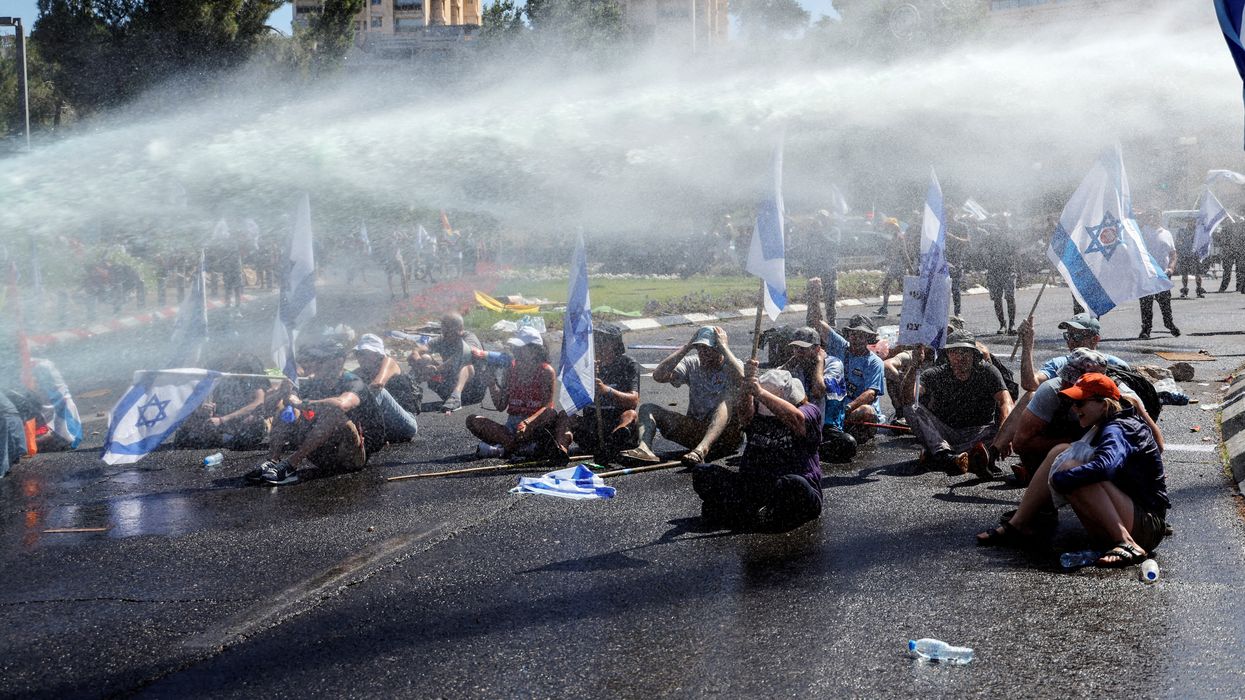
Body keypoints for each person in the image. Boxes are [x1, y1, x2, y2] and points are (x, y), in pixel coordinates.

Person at [977, 373, 1168, 568]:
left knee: (1071, 471)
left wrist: (1060, 479)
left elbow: (1105, 467)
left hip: (1148, 526)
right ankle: (1018, 524)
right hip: (1133, 517)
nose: (1075, 409)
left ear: (1104, 404)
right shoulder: (1106, 420)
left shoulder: (1118, 428)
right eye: (1073, 403)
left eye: (1081, 403)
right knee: (1060, 453)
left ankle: (1126, 543)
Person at [692, 364, 824, 530]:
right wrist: (748, 387)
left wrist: (761, 393)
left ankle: (748, 512)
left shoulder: (810, 411)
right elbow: (744, 414)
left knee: (792, 484)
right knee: (702, 473)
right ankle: (755, 512)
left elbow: (797, 420)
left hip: (790, 488)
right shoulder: (756, 413)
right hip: (755, 487)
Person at [1006, 348, 1162, 485]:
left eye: (1073, 382)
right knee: (1059, 452)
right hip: (1072, 443)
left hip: (1109, 460)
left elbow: (1155, 445)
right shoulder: (1052, 390)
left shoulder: (1125, 399)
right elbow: (1020, 443)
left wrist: (1149, 472)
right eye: (1065, 377)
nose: (1065, 385)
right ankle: (1037, 481)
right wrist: (1073, 443)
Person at [248, 338, 387, 485]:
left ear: (338, 361)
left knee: (334, 413)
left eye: (320, 360)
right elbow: (268, 407)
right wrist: (286, 393)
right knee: (286, 410)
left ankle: (290, 466)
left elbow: (342, 405)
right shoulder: (314, 383)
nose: (315, 364)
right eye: (315, 360)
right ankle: (273, 462)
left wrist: (303, 403)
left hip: (352, 455)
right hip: (323, 454)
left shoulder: (353, 382)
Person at [621, 326, 744, 466]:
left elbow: (742, 378)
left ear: (719, 349)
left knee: (725, 401)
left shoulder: (732, 365)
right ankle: (644, 449)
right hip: (697, 430)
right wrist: (686, 348)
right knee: (647, 408)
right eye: (700, 349)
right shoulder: (693, 363)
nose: (704, 354)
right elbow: (659, 376)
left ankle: (702, 450)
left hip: (726, 437)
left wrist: (725, 347)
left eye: (709, 349)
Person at [900, 330, 1013, 478]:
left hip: (979, 433)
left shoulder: (988, 372)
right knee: (911, 408)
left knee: (1011, 423)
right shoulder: (935, 374)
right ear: (947, 355)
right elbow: (908, 397)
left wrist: (1005, 436)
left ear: (974, 355)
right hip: (945, 434)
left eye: (966, 352)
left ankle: (939, 456)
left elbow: (1006, 401)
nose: (961, 357)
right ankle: (945, 455)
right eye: (955, 352)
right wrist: (914, 366)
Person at [554, 323, 641, 460]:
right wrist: (584, 379)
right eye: (595, 340)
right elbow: (573, 400)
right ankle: (560, 451)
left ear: (614, 344)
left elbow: (633, 400)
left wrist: (606, 390)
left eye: (603, 340)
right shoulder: (585, 365)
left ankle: (612, 445)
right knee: (565, 415)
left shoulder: (628, 364)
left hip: (615, 424)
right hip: (592, 428)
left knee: (631, 414)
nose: (598, 344)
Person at [468, 327, 557, 458]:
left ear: (534, 350)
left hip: (535, 424)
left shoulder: (546, 371)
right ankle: (519, 447)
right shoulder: (511, 369)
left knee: (551, 413)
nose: (516, 351)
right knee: (473, 420)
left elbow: (547, 407)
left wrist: (527, 423)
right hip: (512, 427)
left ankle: (507, 448)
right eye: (516, 347)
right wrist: (492, 384)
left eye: (521, 348)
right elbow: (500, 405)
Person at [807, 304, 886, 444]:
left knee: (866, 411)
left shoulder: (874, 362)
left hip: (854, 409)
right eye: (854, 334)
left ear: (868, 338)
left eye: (861, 336)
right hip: (835, 406)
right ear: (848, 335)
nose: (857, 339)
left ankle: (834, 428)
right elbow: (817, 323)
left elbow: (870, 394)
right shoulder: (841, 346)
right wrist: (815, 296)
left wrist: (848, 409)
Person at [783, 326, 855, 462]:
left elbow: (818, 391)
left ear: (817, 349)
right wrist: (787, 365)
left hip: (825, 424)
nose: (798, 352)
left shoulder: (834, 364)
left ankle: (808, 448)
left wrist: (819, 362)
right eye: (796, 348)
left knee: (847, 444)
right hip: (802, 421)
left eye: (803, 348)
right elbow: (773, 383)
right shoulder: (796, 364)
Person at [177, 353, 270, 451]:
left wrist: (223, 419)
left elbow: (258, 403)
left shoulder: (251, 364)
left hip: (241, 420)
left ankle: (225, 437)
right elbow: (207, 393)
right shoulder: (217, 363)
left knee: (251, 425)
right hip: (220, 417)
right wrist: (206, 408)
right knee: (185, 432)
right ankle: (216, 436)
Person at [1017, 313, 1129, 393]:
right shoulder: (1059, 363)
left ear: (1095, 339)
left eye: (1077, 336)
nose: (1071, 341)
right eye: (1068, 336)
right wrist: (1027, 346)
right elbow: (1030, 384)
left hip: (1104, 420)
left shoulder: (1116, 365)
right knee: (1030, 396)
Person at [407, 313, 486, 412]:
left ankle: (456, 397)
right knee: (425, 358)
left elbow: (463, 355)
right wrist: (418, 359)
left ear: (460, 328)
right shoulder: (442, 339)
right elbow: (418, 350)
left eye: (450, 328)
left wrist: (438, 369)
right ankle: (408, 391)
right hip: (448, 388)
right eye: (445, 328)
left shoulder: (469, 337)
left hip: (473, 391)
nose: (447, 332)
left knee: (467, 365)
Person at [352, 334, 421, 443]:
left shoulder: (389, 362)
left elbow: (378, 383)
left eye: (365, 353)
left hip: (406, 424)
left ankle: (358, 431)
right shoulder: (360, 372)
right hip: (386, 427)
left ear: (377, 354)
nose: (361, 357)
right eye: (358, 354)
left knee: (378, 392)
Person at [1136, 209, 1181, 339]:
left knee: (1165, 302)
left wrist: (1171, 268)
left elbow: (1173, 253)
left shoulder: (1167, 233)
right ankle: (1146, 329)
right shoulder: (1142, 231)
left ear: (1160, 217)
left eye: (1156, 215)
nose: (1154, 218)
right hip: (1147, 273)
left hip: (1164, 274)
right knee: (1146, 302)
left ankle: (1169, 324)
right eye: (1151, 215)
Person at [982, 223, 1018, 335]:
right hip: (994, 272)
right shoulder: (989, 239)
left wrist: (1018, 272)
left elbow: (1016, 255)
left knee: (1010, 298)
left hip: (1008, 271)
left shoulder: (1009, 238)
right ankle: (1002, 324)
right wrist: (988, 265)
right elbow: (984, 253)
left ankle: (1012, 324)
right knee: (997, 299)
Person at [875, 219, 911, 317]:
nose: (887, 228)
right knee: (891, 286)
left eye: (889, 226)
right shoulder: (895, 236)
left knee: (891, 286)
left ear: (894, 226)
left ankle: (889, 308)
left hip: (899, 267)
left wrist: (909, 267)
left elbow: (903, 252)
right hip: (895, 266)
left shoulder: (898, 236)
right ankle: (886, 307)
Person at [1172, 217, 1205, 298]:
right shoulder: (1182, 231)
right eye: (1190, 222)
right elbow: (1178, 242)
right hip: (1185, 254)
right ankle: (1185, 291)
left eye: (1193, 222)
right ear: (1187, 222)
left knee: (1198, 273)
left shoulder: (1198, 231)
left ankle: (1199, 290)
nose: (1191, 223)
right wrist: (1178, 250)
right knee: (1184, 274)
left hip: (1195, 255)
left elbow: (1202, 241)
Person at [0, 390, 26, 479]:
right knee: (8, 441)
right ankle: (7, 466)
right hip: (11, 413)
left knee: (4, 443)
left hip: (6, 414)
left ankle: (3, 469)